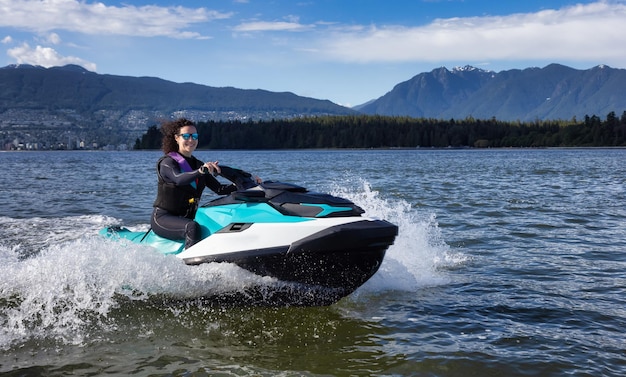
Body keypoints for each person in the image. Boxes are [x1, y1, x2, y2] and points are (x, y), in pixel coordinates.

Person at [151, 118, 237, 249]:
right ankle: (189, 268)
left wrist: (244, 185)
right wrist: (202, 171)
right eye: (186, 136)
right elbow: (178, 178)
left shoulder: (198, 165)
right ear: (176, 138)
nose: (191, 140)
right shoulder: (167, 163)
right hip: (163, 218)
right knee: (192, 227)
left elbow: (220, 189)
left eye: (194, 136)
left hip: (186, 217)